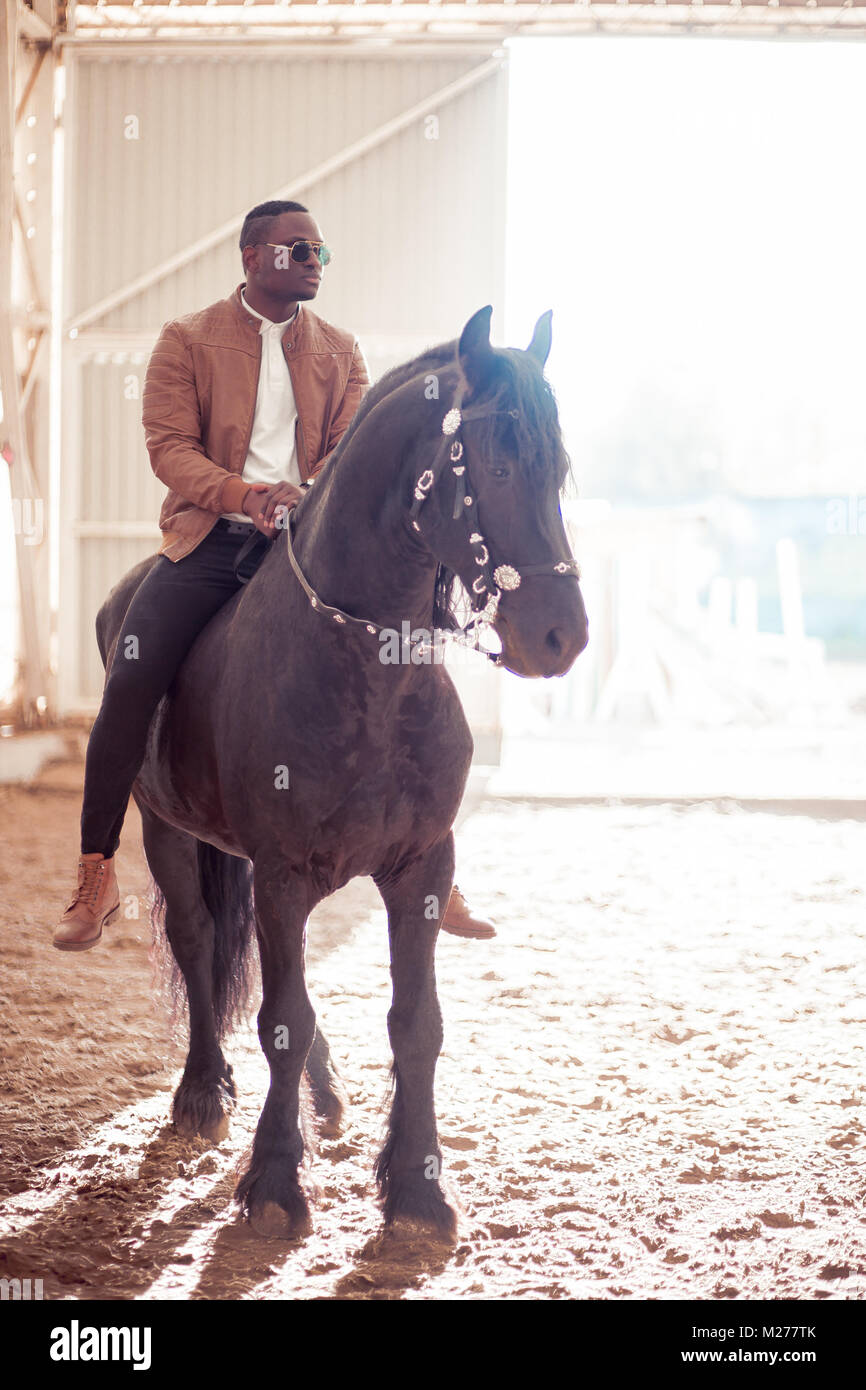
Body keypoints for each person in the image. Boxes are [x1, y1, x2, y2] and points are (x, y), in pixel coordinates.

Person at [53, 199, 496, 954]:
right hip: (214, 543)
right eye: (299, 249)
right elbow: (170, 449)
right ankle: (96, 871)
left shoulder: (341, 350)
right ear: (254, 257)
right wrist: (244, 495)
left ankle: (428, 852)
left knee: (418, 658)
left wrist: (305, 495)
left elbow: (350, 454)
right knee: (131, 676)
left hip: (313, 545)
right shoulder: (186, 341)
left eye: (321, 249)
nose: (315, 260)